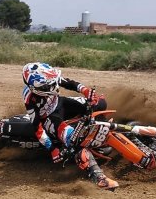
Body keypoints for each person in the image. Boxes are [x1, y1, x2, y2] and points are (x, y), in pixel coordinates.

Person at [22, 62, 119, 190]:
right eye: (47, 87)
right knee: (73, 140)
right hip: (49, 118)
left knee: (100, 103)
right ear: (35, 89)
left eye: (53, 83)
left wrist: (86, 91)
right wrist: (51, 149)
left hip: (62, 104)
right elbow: (37, 127)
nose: (53, 87)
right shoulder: (29, 98)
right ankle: (98, 176)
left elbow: (70, 83)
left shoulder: (49, 79)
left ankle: (102, 128)